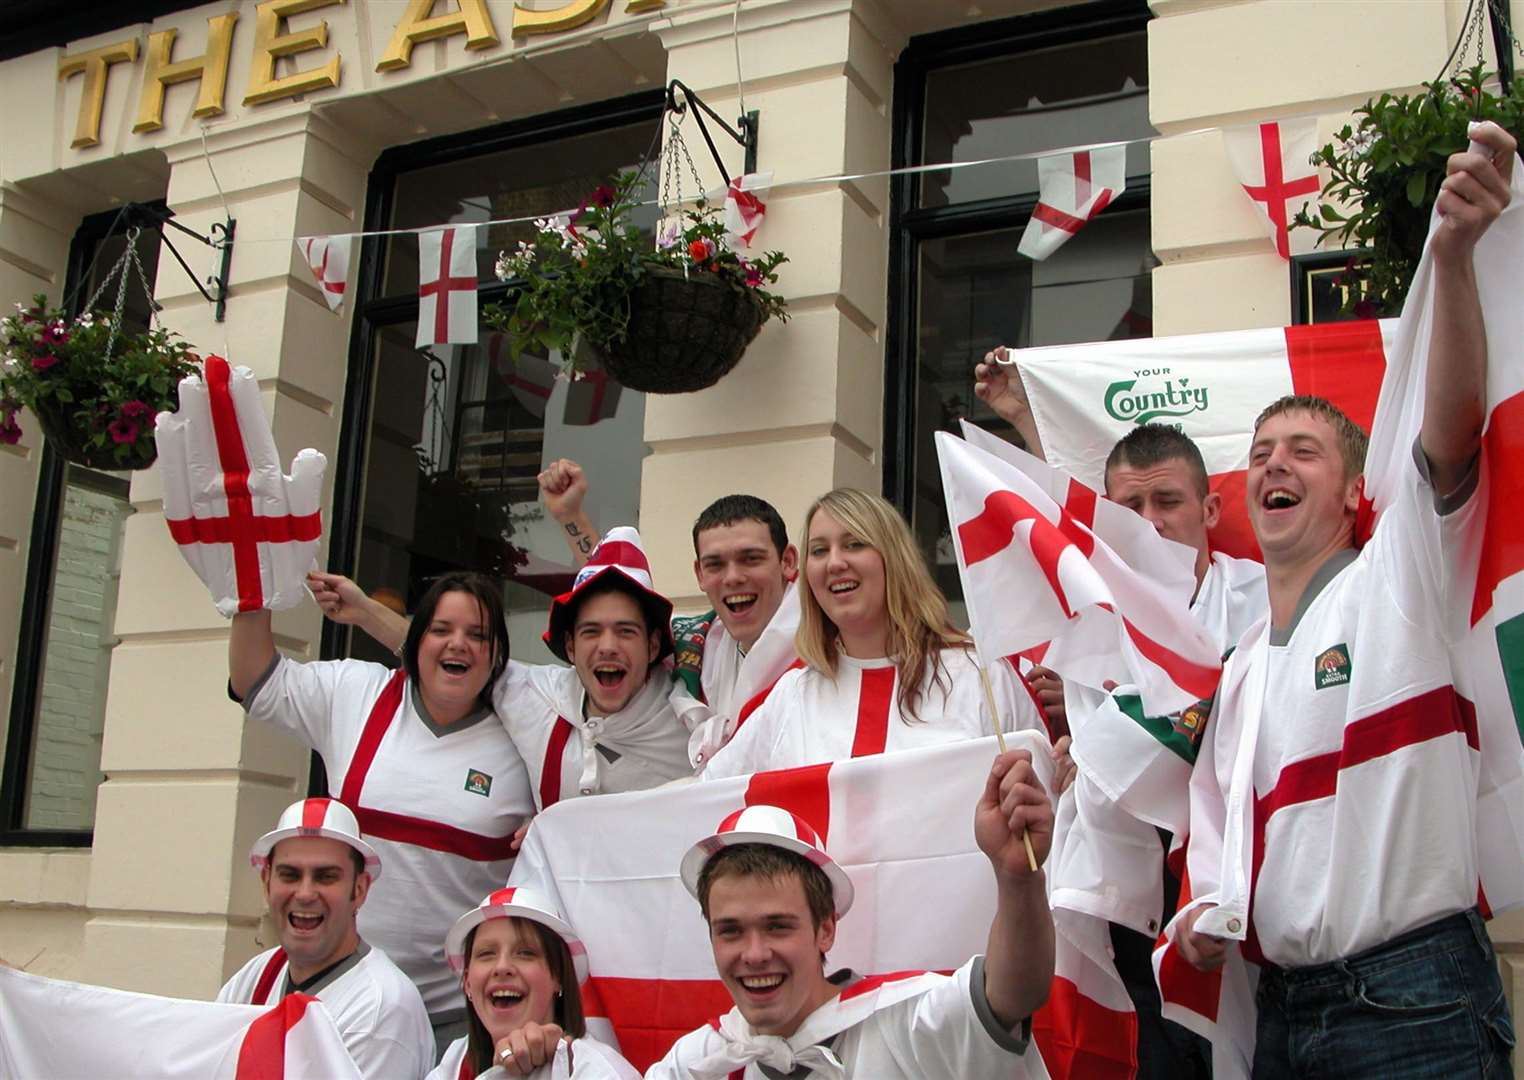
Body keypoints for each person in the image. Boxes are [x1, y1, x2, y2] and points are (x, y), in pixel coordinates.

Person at [1174, 122, 1517, 1077]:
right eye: (1260, 453)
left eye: (1305, 451)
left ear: (1356, 493)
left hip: (1413, 1003)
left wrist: (1451, 258)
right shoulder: (1240, 670)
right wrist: (1205, 912)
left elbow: (1450, 428)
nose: (1274, 462)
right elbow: (1218, 833)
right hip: (1281, 1014)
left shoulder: (1396, 575)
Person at [230, 573, 535, 1046]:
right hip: (341, 1007)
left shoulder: (528, 737)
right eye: (441, 630)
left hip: (457, 1021)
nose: (460, 644)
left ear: (498, 655)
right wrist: (253, 570)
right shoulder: (356, 693)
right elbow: (256, 680)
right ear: (416, 640)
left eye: (478, 635)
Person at [647, 750, 1054, 1079]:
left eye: (777, 926)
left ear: (826, 930)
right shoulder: (696, 1063)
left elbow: (1013, 994)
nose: (754, 954)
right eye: (730, 931)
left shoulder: (905, 1024)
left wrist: (1017, 877)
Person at [317, 529, 693, 810]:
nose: (608, 646)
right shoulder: (535, 698)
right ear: (569, 647)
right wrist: (365, 611)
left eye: (626, 632)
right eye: (591, 631)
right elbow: (452, 658)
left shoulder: (692, 718)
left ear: (654, 645)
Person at [699, 487, 1046, 779]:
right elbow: (708, 797)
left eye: (854, 544)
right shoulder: (791, 696)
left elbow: (1046, 810)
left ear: (893, 558)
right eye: (819, 550)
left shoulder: (982, 676)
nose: (835, 562)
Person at [537, 460, 801, 762]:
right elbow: (619, 603)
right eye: (715, 564)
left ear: (788, 561)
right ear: (699, 573)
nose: (733, 578)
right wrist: (571, 517)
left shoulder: (829, 641)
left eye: (751, 559)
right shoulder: (696, 643)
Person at [218, 798, 434, 1080]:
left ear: (359, 889)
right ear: (266, 882)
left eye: (325, 877)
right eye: (290, 875)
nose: (305, 893)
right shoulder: (256, 975)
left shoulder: (383, 1007)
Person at [429, 888, 639, 1079]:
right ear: (467, 982)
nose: (502, 967)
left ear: (558, 976)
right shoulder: (454, 1062)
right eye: (486, 954)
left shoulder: (597, 1072)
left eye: (525, 953)